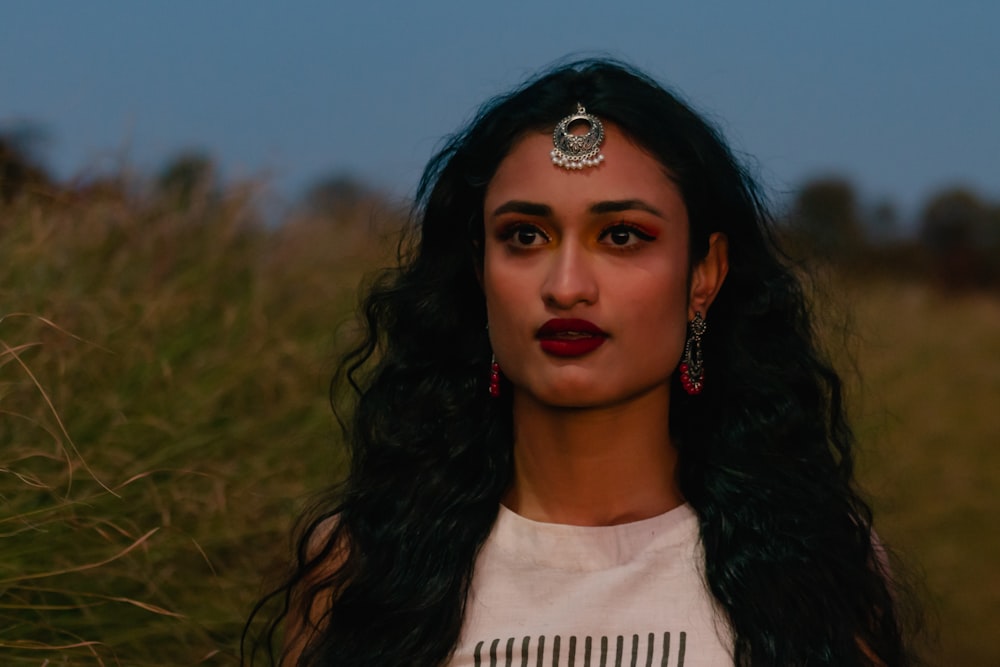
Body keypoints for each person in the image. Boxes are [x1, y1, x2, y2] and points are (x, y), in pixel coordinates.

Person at [245, 58, 918, 666]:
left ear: (704, 274)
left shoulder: (816, 568)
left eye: (622, 235)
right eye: (525, 236)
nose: (566, 285)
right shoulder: (361, 567)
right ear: (479, 270)